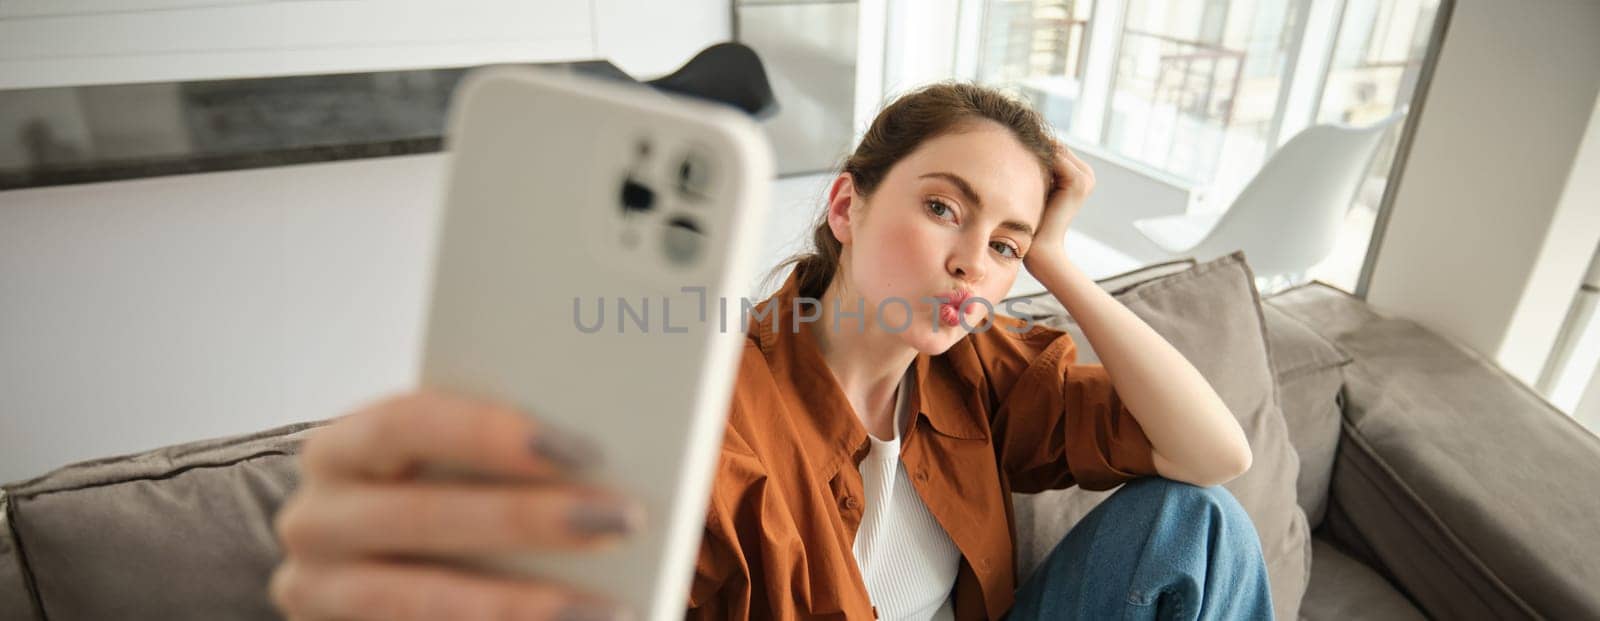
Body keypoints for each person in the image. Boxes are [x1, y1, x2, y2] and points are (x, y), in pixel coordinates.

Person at [269, 82, 1274, 621]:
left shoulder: (984, 363)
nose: (973, 262)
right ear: (846, 205)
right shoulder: (714, 414)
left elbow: (1211, 454)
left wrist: (1053, 263)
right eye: (941, 209)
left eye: (1001, 242)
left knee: (1196, 522)